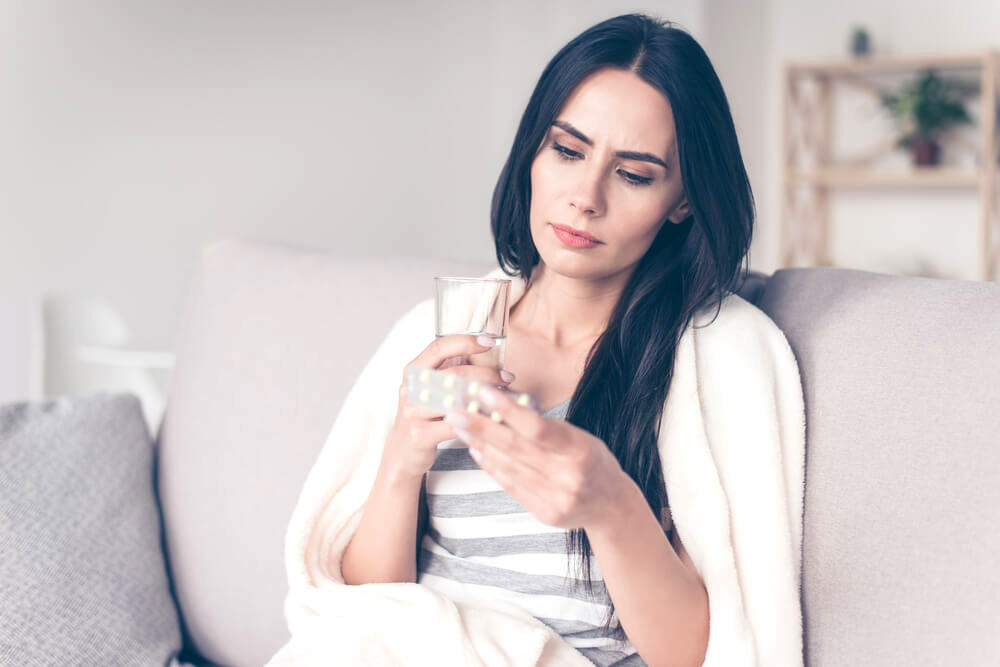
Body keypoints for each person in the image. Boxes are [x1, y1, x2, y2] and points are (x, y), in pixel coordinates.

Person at [340, 12, 755, 667]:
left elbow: (706, 654)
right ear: (534, 151)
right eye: (567, 150)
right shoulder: (442, 332)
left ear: (683, 201)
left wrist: (612, 504)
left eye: (635, 174)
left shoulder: (710, 363)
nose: (585, 197)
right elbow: (365, 615)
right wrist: (401, 458)